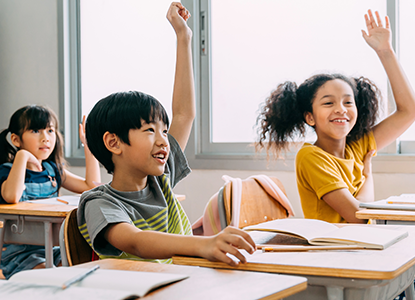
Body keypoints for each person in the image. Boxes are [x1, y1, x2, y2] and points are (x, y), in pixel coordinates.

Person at [256, 9, 415, 299]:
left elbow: (410, 111)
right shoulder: (311, 157)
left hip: (368, 252)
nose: (341, 109)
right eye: (328, 103)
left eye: (347, 102)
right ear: (310, 117)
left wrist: (386, 52)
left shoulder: (359, 144)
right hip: (342, 264)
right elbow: (358, 216)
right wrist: (367, 173)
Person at [77, 2, 255, 267]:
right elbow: (135, 240)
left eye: (164, 130)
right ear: (113, 142)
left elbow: (184, 114)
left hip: (179, 283)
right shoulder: (98, 202)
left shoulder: (159, 181)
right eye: (150, 130)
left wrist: (184, 37)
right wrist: (204, 244)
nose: (163, 140)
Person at [0, 105, 101, 279]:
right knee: (49, 279)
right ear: (16, 140)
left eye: (50, 130)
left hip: (55, 248)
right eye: (35, 130)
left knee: (81, 273)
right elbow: (11, 196)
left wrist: (88, 145)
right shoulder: (7, 171)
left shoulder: (52, 170)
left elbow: (91, 187)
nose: (45, 138)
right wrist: (22, 156)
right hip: (21, 254)